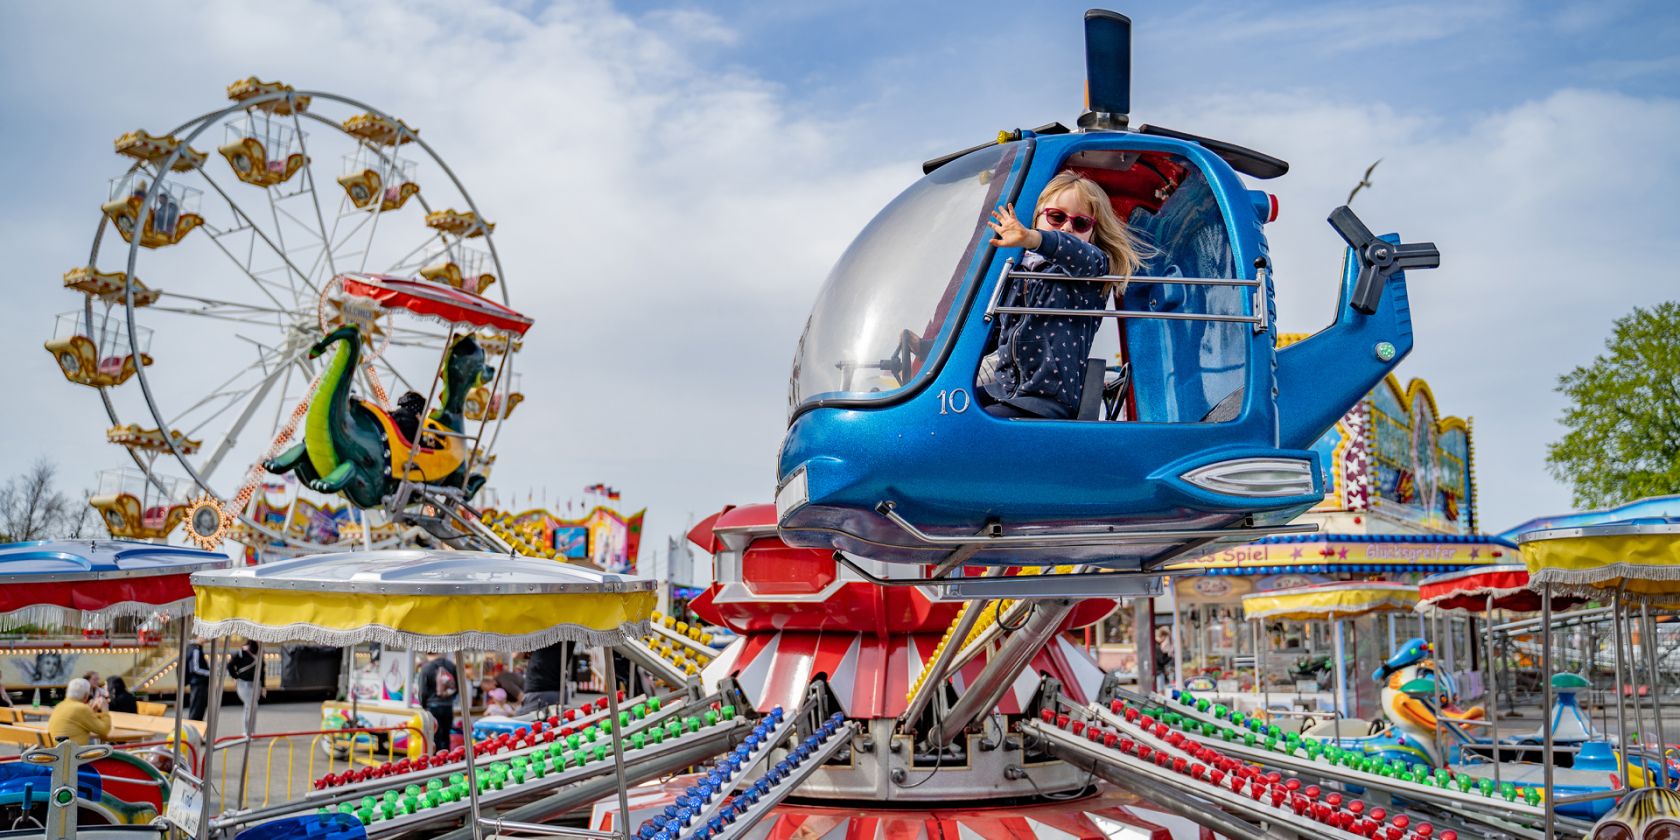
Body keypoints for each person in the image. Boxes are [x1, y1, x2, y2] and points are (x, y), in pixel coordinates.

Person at [978, 171, 1149, 419]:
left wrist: (1033, 238)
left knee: (973, 429)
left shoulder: (1091, 269)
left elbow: (1075, 252)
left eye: (1081, 223)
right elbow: (992, 330)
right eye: (1056, 217)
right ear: (1037, 216)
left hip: (1046, 400)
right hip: (1008, 390)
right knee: (948, 412)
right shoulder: (1018, 269)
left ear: (1093, 231)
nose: (1067, 227)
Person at [416, 652, 459, 755]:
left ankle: (436, 762)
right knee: (446, 735)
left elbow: (422, 691)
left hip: (433, 706)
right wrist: (449, 698)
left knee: (434, 737)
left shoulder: (426, 668)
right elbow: (458, 687)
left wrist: (424, 705)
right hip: (448, 706)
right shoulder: (451, 666)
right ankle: (446, 760)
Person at [47, 678, 111, 745]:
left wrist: (92, 711)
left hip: (56, 752)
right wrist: (105, 710)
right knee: (106, 750)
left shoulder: (60, 705)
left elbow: (80, 720)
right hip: (72, 753)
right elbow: (104, 730)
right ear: (86, 695)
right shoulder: (81, 709)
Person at [518, 640, 570, 714]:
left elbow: (517, 655)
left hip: (539, 690)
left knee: (523, 722)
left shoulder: (540, 630)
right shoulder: (570, 631)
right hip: (560, 689)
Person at [229, 640, 263, 733]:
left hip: (256, 684)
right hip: (244, 683)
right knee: (250, 706)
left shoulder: (259, 651)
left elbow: (261, 670)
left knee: (253, 708)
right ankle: (246, 731)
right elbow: (230, 665)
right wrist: (235, 677)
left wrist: (263, 686)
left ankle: (252, 731)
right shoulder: (242, 652)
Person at [185, 637, 212, 721]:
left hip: (197, 683)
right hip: (198, 683)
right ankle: (193, 730)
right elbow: (195, 668)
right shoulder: (195, 650)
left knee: (197, 709)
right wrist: (210, 673)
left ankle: (194, 729)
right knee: (197, 710)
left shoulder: (193, 648)